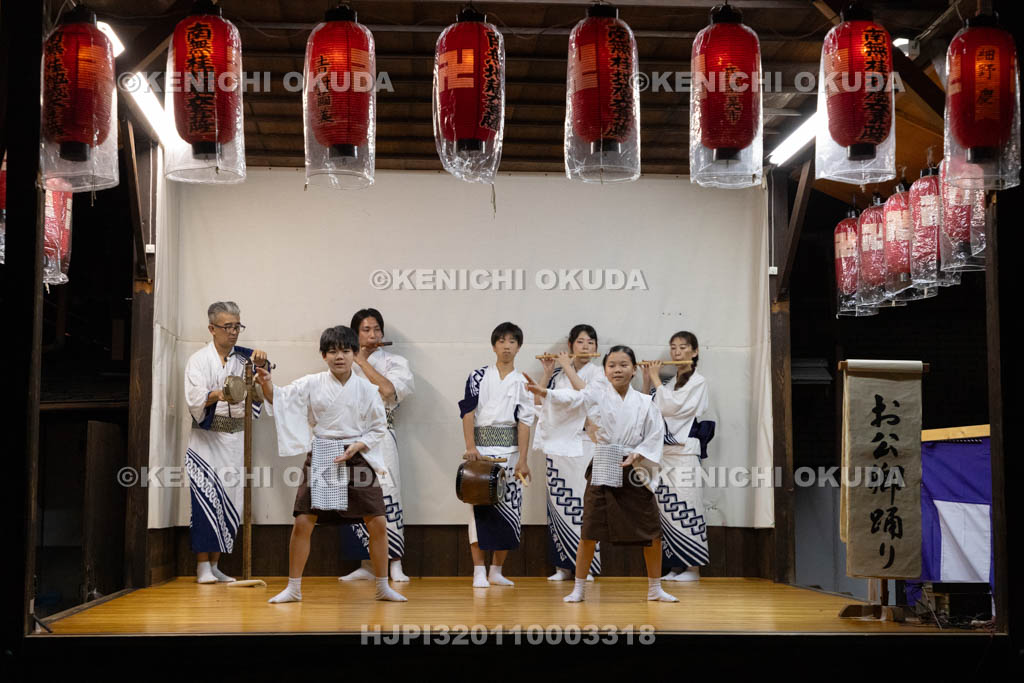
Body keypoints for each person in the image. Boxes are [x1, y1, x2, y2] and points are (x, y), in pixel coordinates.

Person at [258, 326, 407, 603]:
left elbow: (377, 428)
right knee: (303, 521)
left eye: (346, 351)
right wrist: (266, 380)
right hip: (324, 452)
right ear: (324, 355)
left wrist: (359, 446)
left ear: (354, 354)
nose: (340, 356)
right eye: (333, 351)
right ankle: (293, 587)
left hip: (357, 455)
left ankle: (382, 586)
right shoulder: (312, 383)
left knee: (377, 521)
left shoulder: (367, 388)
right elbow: (279, 398)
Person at [526, 346, 677, 603]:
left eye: (623, 364)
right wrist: (545, 392)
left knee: (651, 530)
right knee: (589, 531)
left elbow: (654, 434)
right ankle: (579, 589)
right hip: (604, 460)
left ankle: (655, 589)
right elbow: (573, 400)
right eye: (612, 365)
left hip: (634, 468)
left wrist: (638, 454)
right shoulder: (596, 393)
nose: (617, 369)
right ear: (605, 371)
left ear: (633, 369)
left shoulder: (644, 402)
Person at [184, 301, 268, 584]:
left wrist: (261, 365)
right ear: (212, 328)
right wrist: (219, 393)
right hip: (206, 440)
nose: (233, 332)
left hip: (235, 440)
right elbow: (195, 398)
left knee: (230, 499)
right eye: (227, 326)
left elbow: (259, 388)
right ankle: (202, 567)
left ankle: (217, 564)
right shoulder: (198, 360)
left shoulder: (244, 359)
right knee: (205, 499)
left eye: (237, 326)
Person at [338, 308, 416, 584]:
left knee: (387, 494)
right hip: (350, 437)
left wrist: (362, 361)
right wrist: (352, 360)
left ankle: (394, 562)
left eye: (376, 329)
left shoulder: (395, 361)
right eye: (366, 330)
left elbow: (388, 391)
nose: (372, 335)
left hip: (381, 435)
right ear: (355, 334)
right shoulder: (342, 361)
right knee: (358, 497)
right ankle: (366, 564)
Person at [459, 322, 535, 588]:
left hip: (511, 454)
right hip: (481, 452)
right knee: (478, 511)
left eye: (512, 341)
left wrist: (523, 460)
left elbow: (525, 422)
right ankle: (478, 569)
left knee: (510, 510)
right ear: (494, 345)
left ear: (518, 347)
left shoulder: (524, 382)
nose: (506, 346)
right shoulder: (478, 376)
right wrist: (471, 447)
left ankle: (497, 570)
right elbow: (468, 412)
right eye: (501, 341)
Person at [533, 325, 602, 582]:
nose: (586, 347)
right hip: (558, 447)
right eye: (581, 342)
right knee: (559, 502)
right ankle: (562, 566)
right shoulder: (558, 376)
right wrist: (549, 372)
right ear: (571, 345)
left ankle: (586, 568)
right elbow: (538, 402)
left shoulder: (599, 373)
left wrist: (569, 367)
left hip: (585, 444)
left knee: (586, 505)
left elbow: (588, 397)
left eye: (591, 342)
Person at [642, 331, 712, 582]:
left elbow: (670, 407)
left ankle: (693, 568)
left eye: (683, 348)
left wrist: (655, 379)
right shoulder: (670, 383)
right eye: (673, 348)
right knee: (667, 509)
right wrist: (647, 380)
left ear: (694, 352)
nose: (677, 352)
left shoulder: (698, 381)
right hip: (665, 454)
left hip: (684, 453)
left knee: (688, 506)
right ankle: (674, 566)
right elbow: (649, 409)